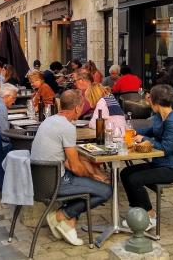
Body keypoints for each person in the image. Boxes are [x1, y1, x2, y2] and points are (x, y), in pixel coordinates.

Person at [31, 90, 112, 246]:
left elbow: (68, 161)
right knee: (105, 190)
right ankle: (62, 216)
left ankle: (69, 221)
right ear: (77, 108)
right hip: (54, 184)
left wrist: (89, 174)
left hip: (39, 180)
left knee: (87, 181)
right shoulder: (67, 127)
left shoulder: (49, 120)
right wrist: (91, 176)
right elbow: (74, 167)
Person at [120, 84, 173, 231]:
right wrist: (133, 132)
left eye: (149, 99)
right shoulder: (160, 117)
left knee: (134, 179)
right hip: (162, 163)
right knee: (125, 173)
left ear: (155, 102)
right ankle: (138, 211)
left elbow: (166, 148)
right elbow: (151, 130)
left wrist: (143, 138)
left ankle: (150, 216)